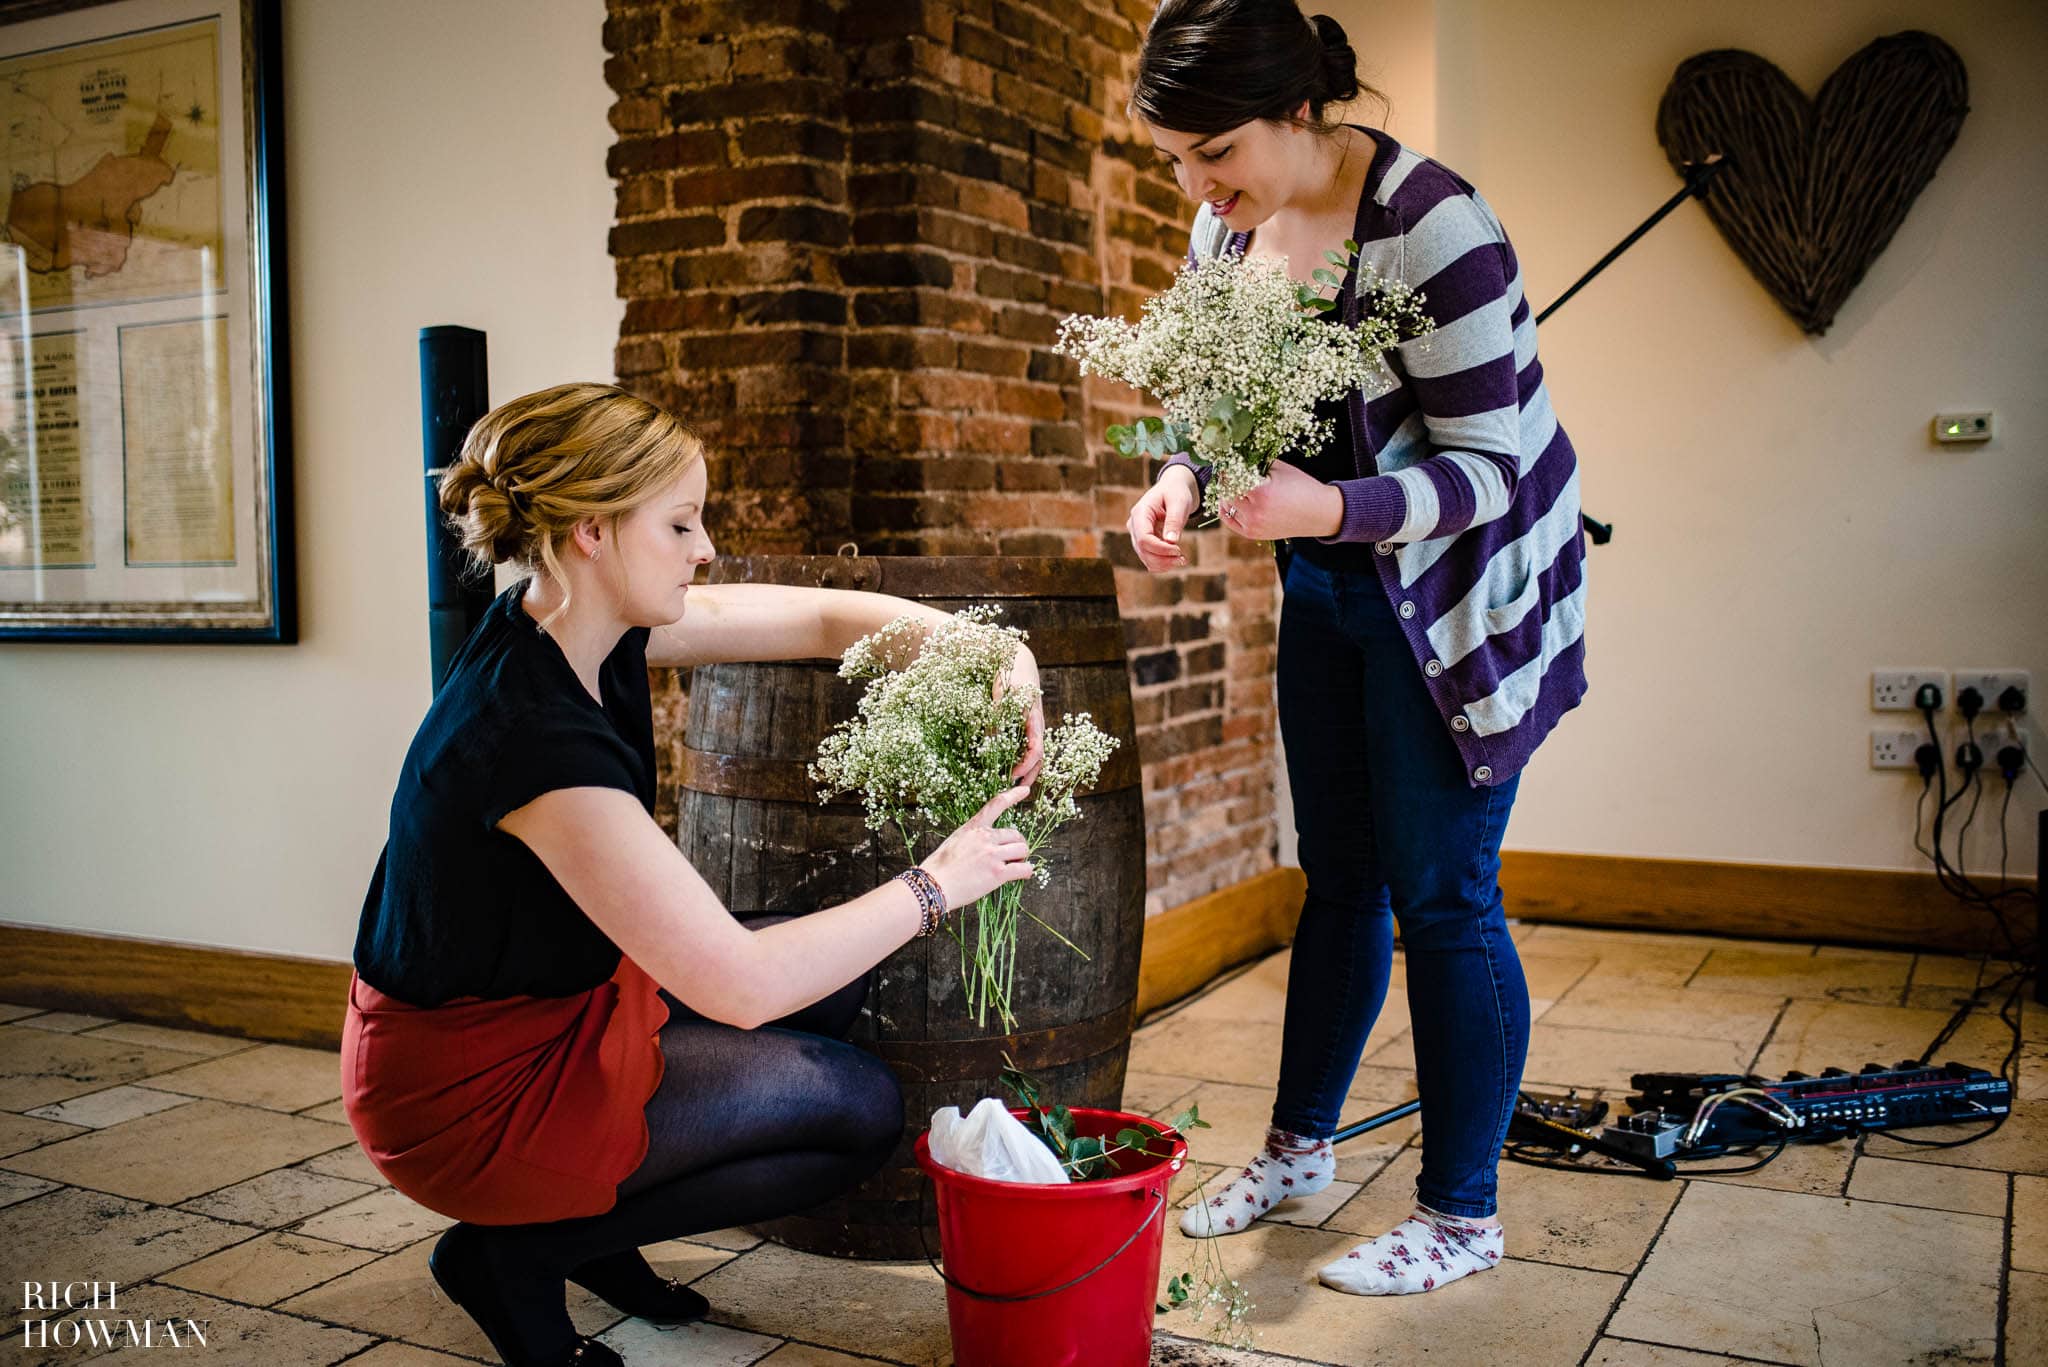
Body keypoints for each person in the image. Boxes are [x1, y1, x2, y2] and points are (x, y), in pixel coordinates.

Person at [341, 382, 1047, 1366]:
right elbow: (740, 984)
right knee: (857, 1111)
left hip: (552, 1004)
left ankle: (589, 1225)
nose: (703, 546)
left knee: (835, 977)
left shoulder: (575, 623)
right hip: (471, 1090)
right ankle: (515, 1251)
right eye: (678, 523)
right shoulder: (534, 742)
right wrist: (936, 881)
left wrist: (993, 652)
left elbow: (819, 621)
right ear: (591, 529)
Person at [1123, 0, 1588, 1297]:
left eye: (1211, 152)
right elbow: (1214, 404)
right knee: (1337, 871)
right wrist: (1181, 474)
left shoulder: (1432, 224)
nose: (1197, 186)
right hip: (1326, 579)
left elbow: (1489, 470)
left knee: (1444, 891)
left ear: (1297, 113)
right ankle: (1298, 1147)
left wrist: (1327, 505)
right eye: (1176, 159)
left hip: (1456, 593)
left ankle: (1461, 1212)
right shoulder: (1227, 223)